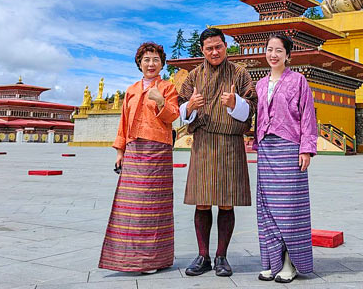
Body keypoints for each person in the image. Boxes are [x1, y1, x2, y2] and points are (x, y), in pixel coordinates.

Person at [178, 27, 257, 277]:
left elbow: (252, 105)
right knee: (202, 202)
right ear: (202, 50)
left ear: (226, 46)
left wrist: (236, 104)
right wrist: (189, 107)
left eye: (219, 46)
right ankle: (203, 256)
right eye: (209, 48)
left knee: (226, 202)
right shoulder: (193, 76)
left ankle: (221, 256)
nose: (214, 51)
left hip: (230, 144)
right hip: (203, 142)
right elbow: (180, 106)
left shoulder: (239, 73)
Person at [98, 42, 179, 274]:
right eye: (146, 60)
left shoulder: (168, 88)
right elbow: (123, 121)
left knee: (154, 206)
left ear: (162, 63)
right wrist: (120, 151)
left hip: (158, 151)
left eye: (155, 59)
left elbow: (173, 116)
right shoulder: (131, 90)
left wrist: (160, 100)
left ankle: (153, 259)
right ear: (139, 64)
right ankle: (128, 256)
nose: (151, 64)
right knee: (130, 206)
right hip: (134, 150)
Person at [255, 34, 317, 283]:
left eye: (279, 50)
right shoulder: (260, 84)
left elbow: (308, 116)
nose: (273, 54)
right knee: (267, 209)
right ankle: (273, 261)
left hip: (290, 148)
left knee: (290, 209)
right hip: (266, 149)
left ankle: (291, 263)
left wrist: (306, 148)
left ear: (288, 55)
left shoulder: (299, 81)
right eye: (269, 49)